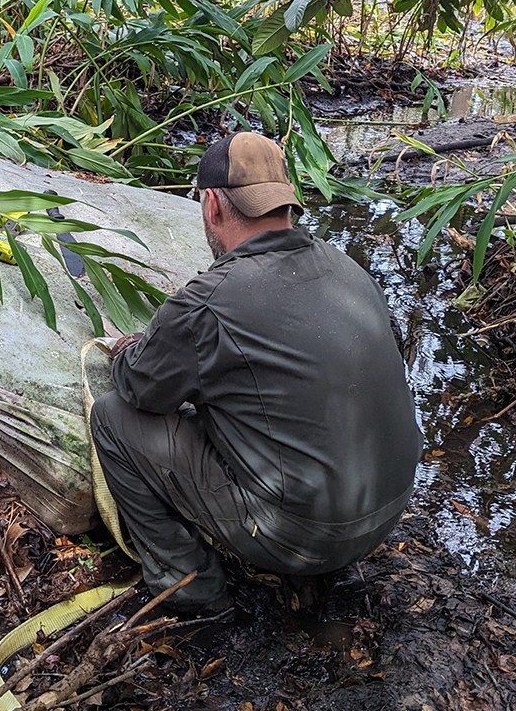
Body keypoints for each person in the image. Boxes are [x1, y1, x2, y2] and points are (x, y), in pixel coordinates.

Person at [90, 131, 422, 617]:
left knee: (111, 417)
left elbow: (141, 388)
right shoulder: (347, 268)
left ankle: (189, 585)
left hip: (300, 539)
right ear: (284, 202)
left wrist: (125, 348)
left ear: (211, 206)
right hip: (387, 515)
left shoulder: (208, 302)